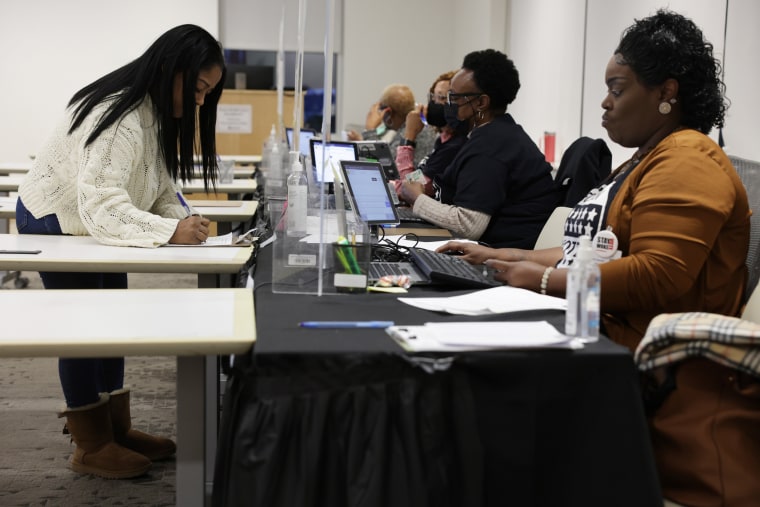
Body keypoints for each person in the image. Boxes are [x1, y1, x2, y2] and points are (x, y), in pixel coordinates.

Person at [437, 12, 753, 504]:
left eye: (618, 89)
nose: (605, 102)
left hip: (643, 373)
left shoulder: (688, 159)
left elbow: (658, 274)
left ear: (666, 93)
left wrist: (538, 282)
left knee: (465, 389)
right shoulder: (647, 156)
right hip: (607, 344)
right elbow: (588, 252)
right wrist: (507, 254)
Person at [15, 24, 226, 479]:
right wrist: (172, 231)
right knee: (82, 320)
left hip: (91, 218)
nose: (200, 102)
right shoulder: (119, 117)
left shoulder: (151, 111)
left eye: (208, 93)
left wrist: (183, 220)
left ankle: (115, 429)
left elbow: (157, 187)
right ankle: (90, 445)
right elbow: (100, 205)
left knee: (112, 309)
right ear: (174, 70)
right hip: (55, 216)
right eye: (199, 89)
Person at [399, 50, 557, 249]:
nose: (448, 106)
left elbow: (469, 224)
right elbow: (429, 180)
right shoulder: (481, 136)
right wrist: (414, 188)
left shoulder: (491, 148)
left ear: (481, 103)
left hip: (498, 256)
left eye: (454, 98)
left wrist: (416, 198)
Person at [393, 70, 468, 198]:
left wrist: (409, 137)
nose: (432, 104)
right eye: (433, 97)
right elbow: (417, 177)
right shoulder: (443, 140)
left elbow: (408, 189)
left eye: (442, 98)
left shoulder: (454, 147)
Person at [347, 84, 437, 166]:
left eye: (380, 109)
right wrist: (362, 141)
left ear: (388, 112)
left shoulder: (411, 131)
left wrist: (370, 131)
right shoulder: (416, 126)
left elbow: (385, 165)